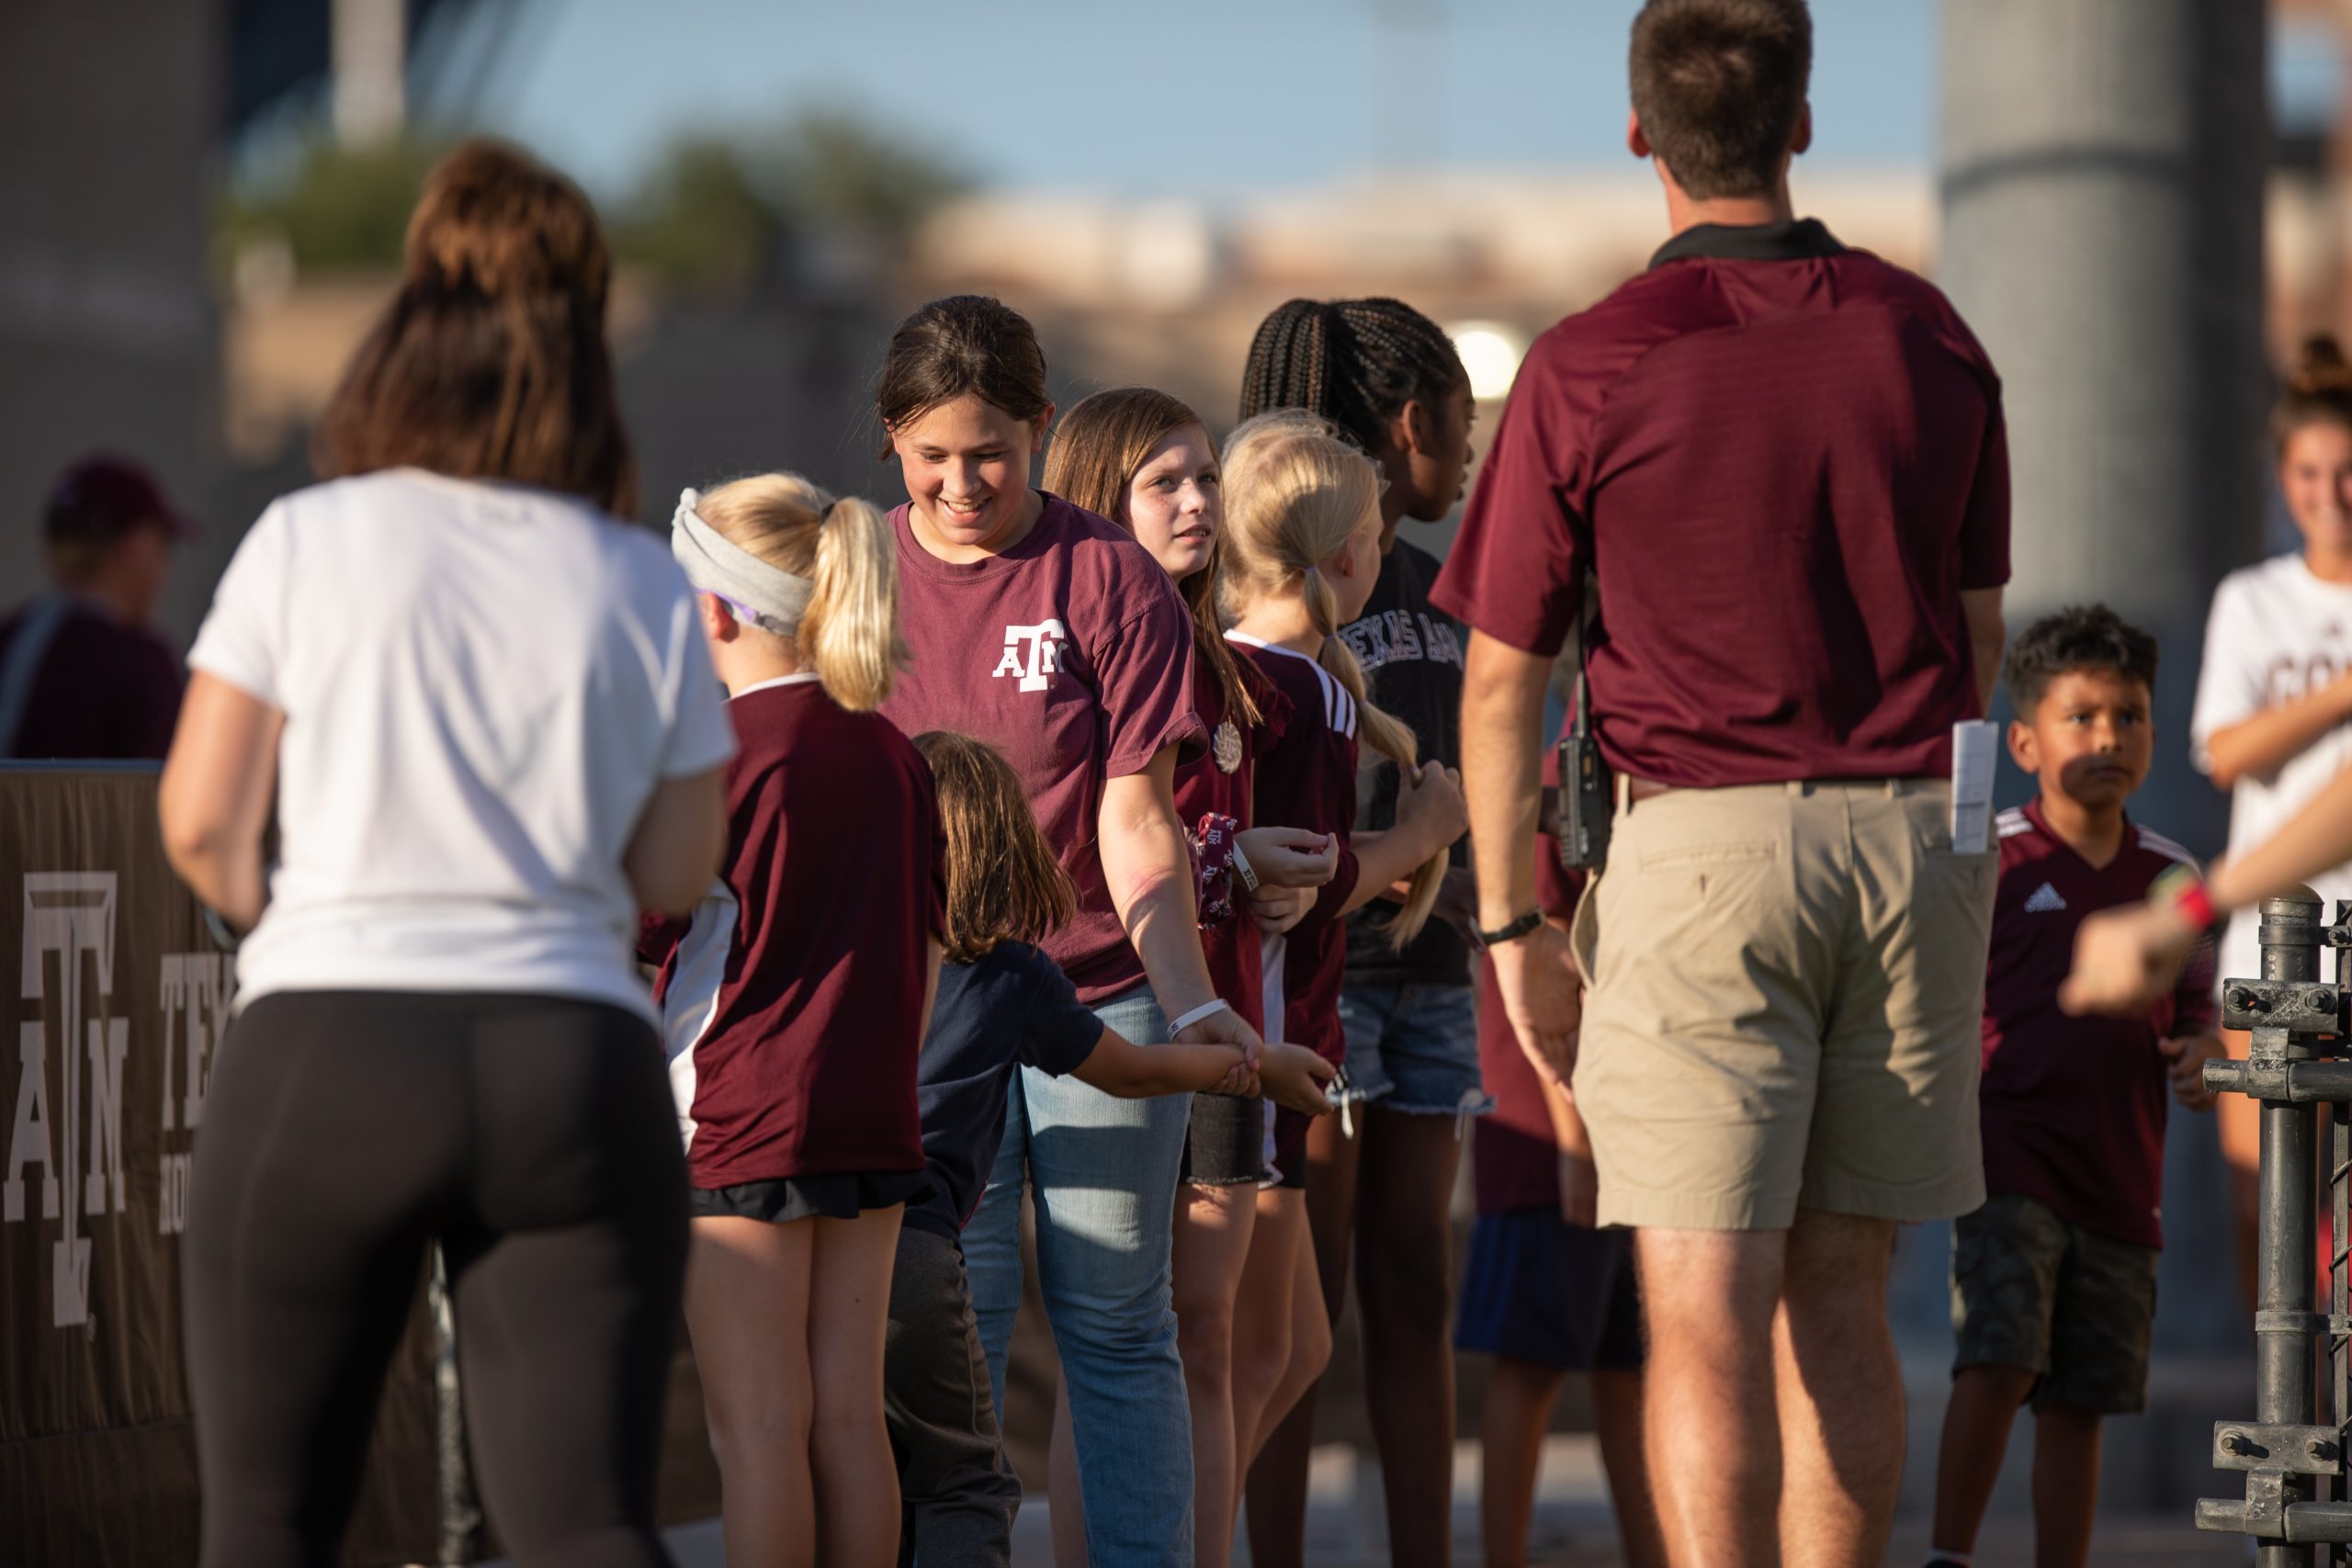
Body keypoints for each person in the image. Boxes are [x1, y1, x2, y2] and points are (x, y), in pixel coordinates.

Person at [1436, 3, 2012, 1562]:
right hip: (1910, 846)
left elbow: (1504, 678)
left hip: (1699, 858)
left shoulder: (1590, 361)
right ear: (1803, 121)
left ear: (1642, 136)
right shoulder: (1927, 333)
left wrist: (1510, 927)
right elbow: (1979, 642)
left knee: (1700, 1320)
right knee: (1845, 1300)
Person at [157, 141, 732, 1568]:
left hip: (329, 1045)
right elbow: (677, 865)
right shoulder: (638, 577)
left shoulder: (306, 539)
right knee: (590, 1522)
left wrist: (295, 917)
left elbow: (200, 821)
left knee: (271, 1523)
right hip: (571, 1061)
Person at [871, 294, 1261, 1568]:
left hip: (1103, 987)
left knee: (1114, 1317)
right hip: (931, 1007)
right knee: (954, 1315)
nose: (961, 481)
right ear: (892, 444)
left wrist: (1191, 1001)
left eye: (989, 451)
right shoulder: (858, 574)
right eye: (932, 456)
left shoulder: (1108, 575)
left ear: (1040, 430)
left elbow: (1134, 815)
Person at [888, 728, 1335, 1568]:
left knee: (858, 1457)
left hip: (829, 1246)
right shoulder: (1016, 977)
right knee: (967, 1488)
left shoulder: (855, 961)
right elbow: (1134, 1072)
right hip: (919, 1258)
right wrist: (1256, 1065)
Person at [1039, 387, 1339, 1568]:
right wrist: (1232, 858)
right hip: (1146, 1009)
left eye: (1206, 477)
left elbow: (1204, 823)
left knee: (1270, 1343)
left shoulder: (1200, 638)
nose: (1198, 502)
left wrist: (1279, 870)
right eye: (1163, 482)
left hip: (1229, 1004)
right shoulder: (1088, 631)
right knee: (1165, 1337)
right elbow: (1095, 837)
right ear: (1100, 498)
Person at [644, 473, 937, 1568]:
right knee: (850, 1420)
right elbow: (924, 954)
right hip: (871, 1118)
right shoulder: (895, 754)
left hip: (739, 1120)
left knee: (759, 1431)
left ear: (714, 609)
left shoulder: (714, 757)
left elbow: (637, 939)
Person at [1236, 297, 1487, 1568]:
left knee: (1416, 1282)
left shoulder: (1452, 589)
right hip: (1330, 982)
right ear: (1408, 424)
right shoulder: (1295, 594)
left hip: (1436, 975)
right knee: (1301, 1301)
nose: (1473, 452)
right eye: (1464, 424)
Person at [1927, 606, 2222, 1568]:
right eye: (2081, 716)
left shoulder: (2172, 875)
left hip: (2120, 1171)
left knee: (2082, 1392)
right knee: (2002, 1354)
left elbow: (2195, 1009)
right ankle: (1949, 1554)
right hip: (2007, 1155)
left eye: (2128, 716)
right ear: (2023, 740)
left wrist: (2195, 1048)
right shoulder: (1989, 859)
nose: (2108, 737)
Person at [2189, 333, 2352, 1304]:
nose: (2329, 493)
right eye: (2308, 473)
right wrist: (2336, 697)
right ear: (2281, 478)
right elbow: (2225, 750)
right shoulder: (2252, 599)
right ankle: (2287, 1432)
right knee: (2268, 1210)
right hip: (2266, 934)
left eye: (2346, 472)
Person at [1460, 832, 1662, 1568]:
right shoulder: (1554, 795)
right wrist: (1574, 1140)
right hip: (1547, 1129)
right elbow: (1541, 977)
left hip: (1632, 1129)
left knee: (1632, 1366)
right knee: (1531, 1361)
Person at [0, 454, 191, 759]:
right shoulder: (140, 662)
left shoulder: (9, 638)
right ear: (133, 548)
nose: (164, 569)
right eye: (162, 545)